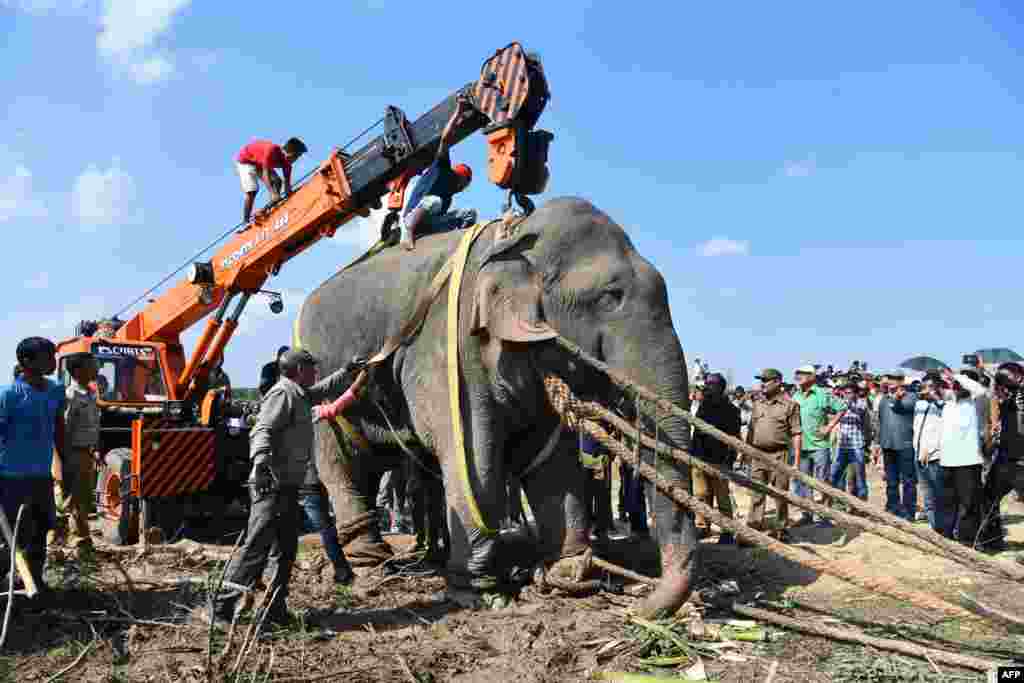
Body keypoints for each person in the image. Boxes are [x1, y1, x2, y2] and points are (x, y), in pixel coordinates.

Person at [202, 350, 365, 627]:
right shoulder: (283, 394)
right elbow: (262, 430)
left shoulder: (300, 393)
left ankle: (274, 609)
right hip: (271, 485)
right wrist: (261, 464)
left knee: (285, 550)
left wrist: (347, 371)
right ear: (299, 369)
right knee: (256, 547)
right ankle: (219, 607)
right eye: (312, 368)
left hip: (288, 487)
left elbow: (321, 390)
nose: (316, 372)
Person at [0, 337, 65, 599]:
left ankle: (36, 581)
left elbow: (60, 431)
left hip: (41, 477)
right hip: (9, 478)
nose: (52, 362)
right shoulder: (8, 395)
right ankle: (7, 581)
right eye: (47, 357)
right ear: (26, 362)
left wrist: (66, 470)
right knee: (10, 536)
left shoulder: (55, 391)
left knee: (41, 528)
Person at [399, 99, 476, 250]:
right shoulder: (442, 168)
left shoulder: (449, 198)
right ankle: (408, 228)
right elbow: (445, 139)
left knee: (469, 213)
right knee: (435, 201)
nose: (464, 187)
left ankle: (462, 243)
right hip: (414, 216)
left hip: (429, 226)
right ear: (461, 178)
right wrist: (459, 111)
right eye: (465, 183)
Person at [49, 353, 101, 557]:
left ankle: (75, 542)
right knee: (73, 501)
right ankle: (80, 546)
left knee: (83, 501)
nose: (96, 369)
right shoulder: (71, 396)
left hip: (84, 453)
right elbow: (62, 430)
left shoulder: (88, 393)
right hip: (72, 454)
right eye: (92, 366)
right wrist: (63, 462)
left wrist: (94, 449)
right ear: (78, 371)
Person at [745, 368, 802, 542]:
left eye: (766, 380)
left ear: (777, 382)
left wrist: (796, 462)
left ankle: (781, 528)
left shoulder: (790, 405)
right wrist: (746, 452)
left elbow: (797, 433)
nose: (762, 383)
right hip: (757, 454)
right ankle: (754, 527)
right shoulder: (758, 403)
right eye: (761, 380)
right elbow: (751, 429)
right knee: (756, 493)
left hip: (780, 455)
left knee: (780, 495)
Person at [937, 368, 987, 546]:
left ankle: (967, 542)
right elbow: (937, 389)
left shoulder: (974, 401)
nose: (955, 386)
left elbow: (980, 390)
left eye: (959, 384)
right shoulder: (949, 402)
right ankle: (946, 539)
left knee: (968, 505)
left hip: (968, 462)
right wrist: (946, 380)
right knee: (947, 504)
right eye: (954, 385)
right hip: (947, 461)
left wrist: (957, 376)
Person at [792, 365, 846, 527]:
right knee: (803, 481)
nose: (798, 376)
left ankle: (825, 515)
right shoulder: (795, 396)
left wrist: (829, 427)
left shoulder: (822, 394)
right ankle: (807, 513)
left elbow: (842, 408)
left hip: (820, 445)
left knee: (822, 481)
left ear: (812, 377)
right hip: (801, 446)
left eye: (802, 374)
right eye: (797, 373)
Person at [978, 362, 1024, 550]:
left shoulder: (1019, 395)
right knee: (989, 498)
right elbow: (995, 389)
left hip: (1021, 462)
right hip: (1004, 459)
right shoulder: (1005, 395)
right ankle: (992, 540)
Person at [692, 373, 740, 544]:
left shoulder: (732, 410)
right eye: (707, 384)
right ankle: (702, 526)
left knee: (722, 498)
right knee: (700, 495)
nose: (707, 387)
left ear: (721, 387)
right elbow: (697, 433)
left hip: (720, 460)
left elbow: (735, 438)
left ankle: (727, 531)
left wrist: (730, 460)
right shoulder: (703, 407)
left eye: (711, 384)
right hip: (699, 458)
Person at [873, 370, 918, 520]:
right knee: (891, 481)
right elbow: (880, 422)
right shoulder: (884, 399)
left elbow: (900, 408)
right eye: (890, 378)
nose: (891, 381)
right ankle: (892, 507)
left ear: (901, 381)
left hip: (905, 445)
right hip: (887, 445)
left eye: (895, 379)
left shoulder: (911, 397)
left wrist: (898, 399)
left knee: (908, 481)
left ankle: (908, 512)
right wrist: (877, 444)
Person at [236, 137, 308, 225]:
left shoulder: (287, 165)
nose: (296, 160)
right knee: (252, 191)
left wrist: (290, 193)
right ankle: (245, 221)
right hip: (246, 160)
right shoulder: (272, 151)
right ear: (290, 154)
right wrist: (273, 193)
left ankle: (273, 207)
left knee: (278, 181)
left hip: (259, 162)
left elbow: (287, 186)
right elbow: (265, 175)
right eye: (297, 157)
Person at [913, 375, 947, 533]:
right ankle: (935, 530)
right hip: (919, 456)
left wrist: (931, 448)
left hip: (934, 457)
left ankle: (943, 531)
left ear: (935, 387)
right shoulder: (919, 404)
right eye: (922, 386)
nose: (923, 389)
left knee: (939, 497)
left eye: (927, 387)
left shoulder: (943, 406)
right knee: (927, 498)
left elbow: (943, 432)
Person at [580, 434, 613, 540]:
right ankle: (588, 528)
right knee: (586, 494)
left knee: (601, 494)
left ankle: (601, 530)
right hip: (585, 454)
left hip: (600, 453)